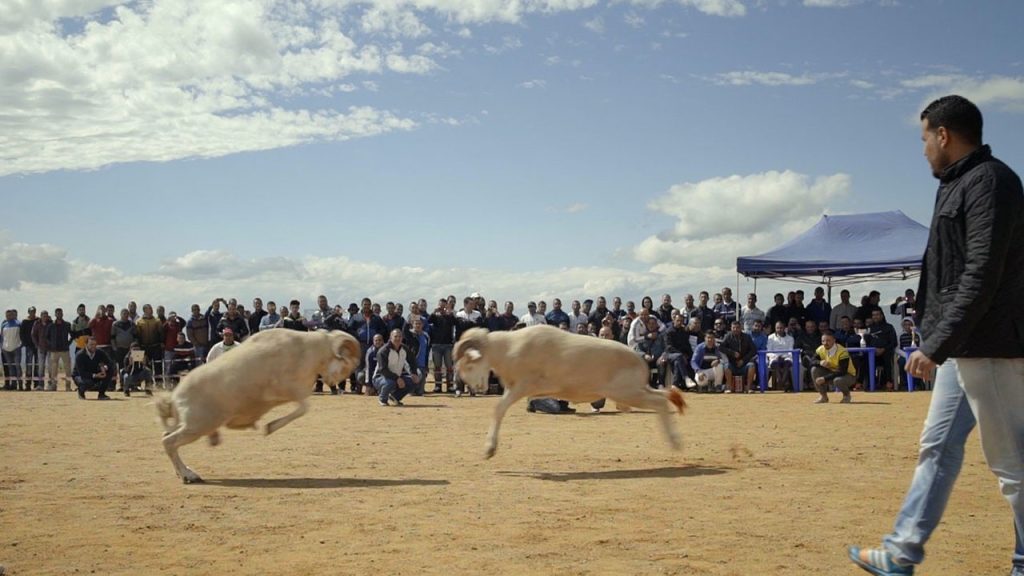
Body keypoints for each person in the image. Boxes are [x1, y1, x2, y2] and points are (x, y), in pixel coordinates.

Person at [849, 95, 1024, 576]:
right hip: (963, 346)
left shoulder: (990, 182)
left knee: (1013, 467)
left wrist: (934, 343)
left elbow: (981, 272)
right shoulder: (961, 183)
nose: (923, 148)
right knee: (938, 447)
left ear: (943, 134)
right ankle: (902, 552)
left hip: (990, 346)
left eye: (925, 137)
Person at [373, 329, 418, 407]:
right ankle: (383, 399)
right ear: (390, 338)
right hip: (380, 377)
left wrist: (414, 373)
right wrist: (397, 378)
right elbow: (383, 369)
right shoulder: (383, 351)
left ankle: (395, 397)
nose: (398, 338)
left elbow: (412, 361)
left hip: (396, 377)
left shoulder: (405, 348)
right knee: (390, 382)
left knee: (413, 381)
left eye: (400, 336)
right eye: (395, 336)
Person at [810, 331, 854, 404]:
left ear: (834, 340)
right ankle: (823, 397)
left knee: (838, 380)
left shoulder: (842, 351)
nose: (825, 343)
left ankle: (846, 396)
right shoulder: (820, 349)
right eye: (823, 341)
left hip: (848, 375)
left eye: (828, 340)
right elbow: (811, 361)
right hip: (832, 373)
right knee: (814, 369)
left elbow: (842, 371)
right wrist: (820, 362)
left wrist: (824, 378)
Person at [1, 309, 23, 391]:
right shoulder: (4, 324)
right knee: (10, 367)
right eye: (7, 315)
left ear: (13, 315)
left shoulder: (18, 323)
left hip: (16, 347)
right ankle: (13, 384)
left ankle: (20, 384)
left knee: (17, 366)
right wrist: (2, 346)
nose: (8, 316)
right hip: (6, 349)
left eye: (10, 315)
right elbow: (2, 336)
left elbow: (22, 335)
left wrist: (21, 345)